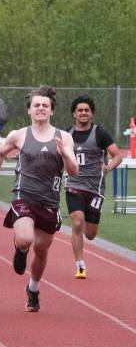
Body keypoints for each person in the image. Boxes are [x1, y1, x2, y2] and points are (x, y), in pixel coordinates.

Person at [0, 86, 78, 312]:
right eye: (36, 105)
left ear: (52, 111)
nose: (40, 109)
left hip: (49, 202)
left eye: (45, 106)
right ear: (29, 110)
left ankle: (34, 288)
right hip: (23, 196)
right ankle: (20, 249)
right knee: (27, 239)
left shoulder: (64, 137)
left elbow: (74, 171)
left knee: (42, 249)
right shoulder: (19, 135)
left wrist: (66, 155)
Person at [64, 95, 124, 279]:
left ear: (92, 114)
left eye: (86, 110)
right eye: (80, 110)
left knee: (90, 234)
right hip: (74, 185)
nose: (83, 113)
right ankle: (80, 265)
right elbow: (60, 155)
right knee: (76, 222)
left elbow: (117, 155)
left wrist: (108, 167)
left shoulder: (100, 134)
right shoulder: (68, 134)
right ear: (74, 113)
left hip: (95, 189)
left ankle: (83, 233)